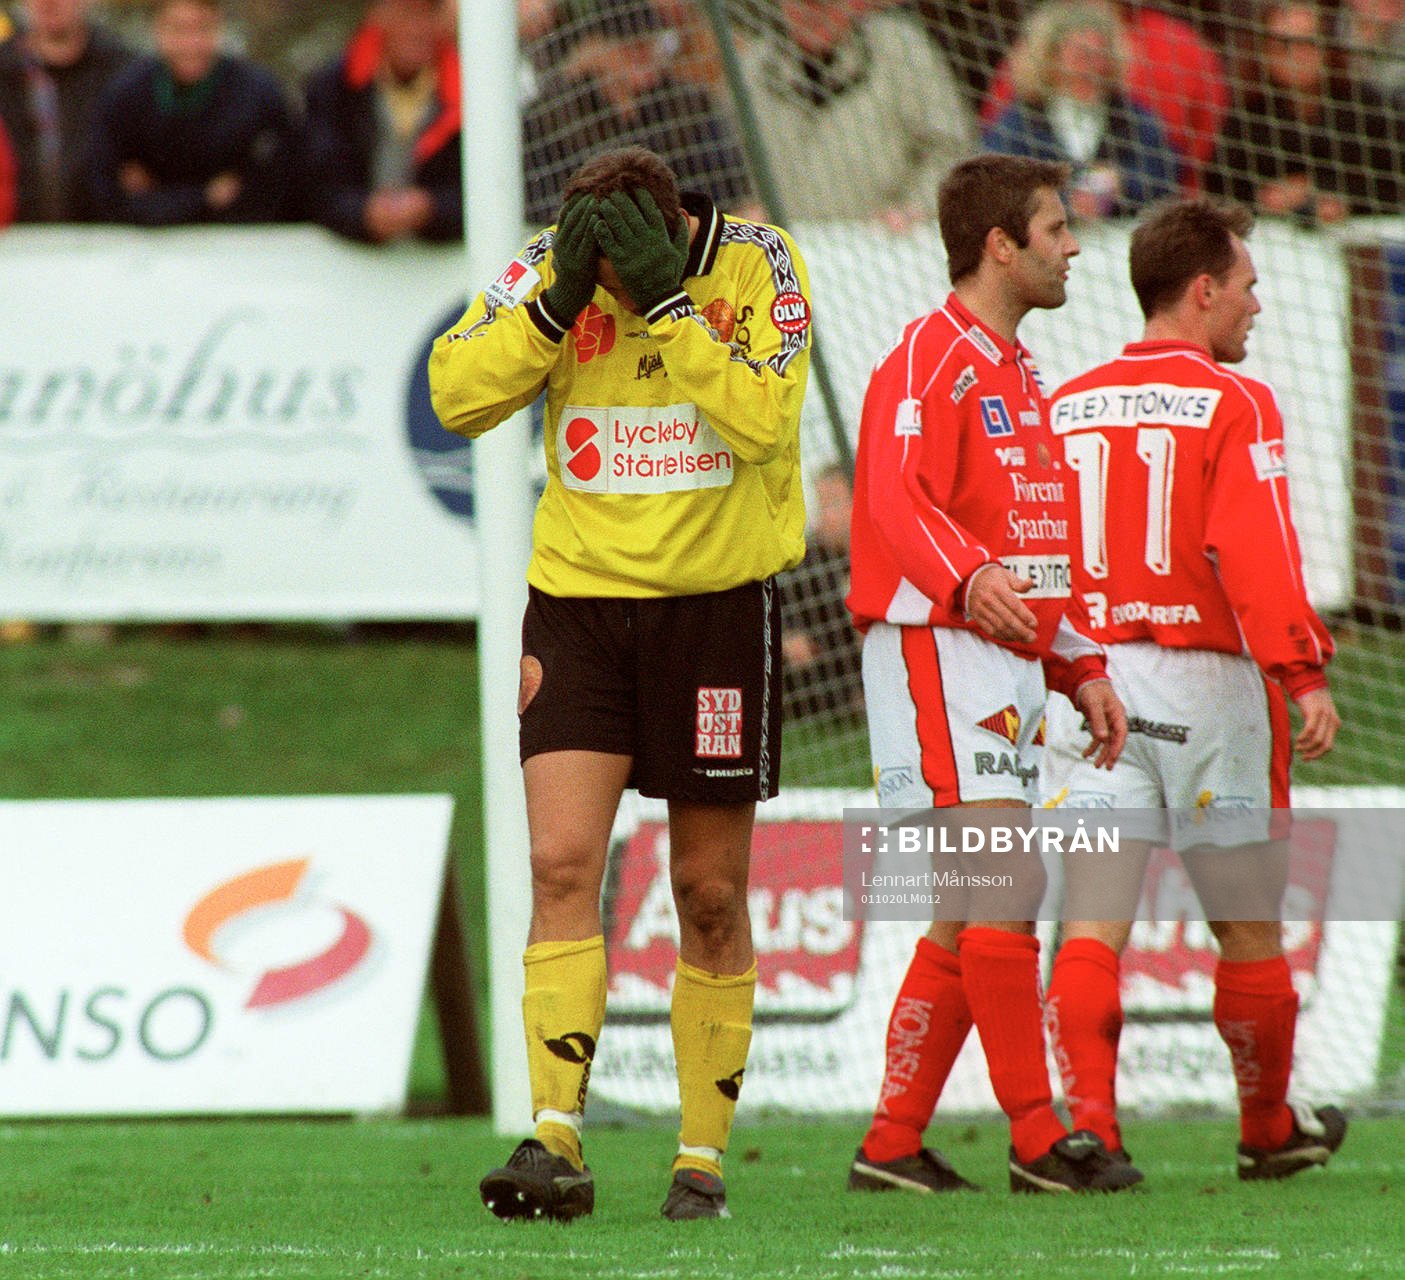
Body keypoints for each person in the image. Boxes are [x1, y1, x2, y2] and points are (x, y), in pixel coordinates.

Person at [428, 145, 811, 1222]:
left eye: (611, 263)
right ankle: (554, 1135)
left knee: (709, 891)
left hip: (716, 609)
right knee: (559, 863)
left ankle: (700, 1155)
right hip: (580, 608)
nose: (597, 281)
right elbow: (455, 394)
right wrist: (554, 304)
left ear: (670, 226)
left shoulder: (759, 265)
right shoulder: (555, 265)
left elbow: (765, 419)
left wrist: (669, 304)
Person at [844, 152, 1140, 1196]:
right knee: (999, 887)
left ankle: (890, 1144)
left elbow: (1045, 549)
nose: (1073, 246)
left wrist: (1079, 662)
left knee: (966, 911)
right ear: (998, 245)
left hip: (1005, 663)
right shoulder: (925, 357)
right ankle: (1034, 1137)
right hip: (935, 647)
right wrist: (967, 579)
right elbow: (891, 495)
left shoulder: (1021, 375)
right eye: (1056, 228)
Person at [1041, 196, 1347, 1181]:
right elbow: (1248, 547)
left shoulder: (1067, 398)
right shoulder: (1232, 399)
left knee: (1091, 917)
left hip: (1088, 684)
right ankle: (1266, 1127)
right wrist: (1298, 670)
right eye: (1248, 287)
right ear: (1203, 291)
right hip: (1205, 680)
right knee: (1244, 920)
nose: (1256, 307)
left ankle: (1090, 1129)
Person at [736, 0, 976, 229]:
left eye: (824, 4)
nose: (812, 12)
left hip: (889, 242)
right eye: (801, 2)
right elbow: (732, 170)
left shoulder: (901, 47)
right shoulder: (754, 67)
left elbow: (953, 148)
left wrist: (916, 207)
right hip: (791, 246)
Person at [521, 0, 751, 227]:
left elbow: (739, 199)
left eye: (649, 42)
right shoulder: (553, 115)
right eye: (629, 45)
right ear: (595, 48)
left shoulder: (688, 104)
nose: (643, 54)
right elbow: (541, 212)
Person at [79, 0, 299, 225]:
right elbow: (108, 193)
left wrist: (159, 195)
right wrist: (205, 196)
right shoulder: (126, 94)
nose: (191, 43)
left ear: (219, 27)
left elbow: (273, 190)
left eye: (202, 28)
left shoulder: (258, 94)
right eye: (179, 29)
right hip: (145, 248)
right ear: (158, 30)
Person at [983, 1, 1228, 195]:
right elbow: (994, 179)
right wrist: (1064, 199)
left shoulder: (1131, 115)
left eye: (1100, 57)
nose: (1092, 68)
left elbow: (1167, 170)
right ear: (1050, 60)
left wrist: (1122, 183)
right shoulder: (1019, 121)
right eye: (1081, 56)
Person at [1206, 0, 1403, 223]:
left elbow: (1392, 183)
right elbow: (1222, 191)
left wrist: (1326, 192)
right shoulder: (1247, 118)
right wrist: (1267, 198)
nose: (1297, 55)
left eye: (1308, 43)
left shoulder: (1365, 109)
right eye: (1283, 45)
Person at [303, 0, 462, 244]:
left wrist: (432, 209)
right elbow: (317, 182)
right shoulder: (334, 88)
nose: (417, 28)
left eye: (429, 12)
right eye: (406, 11)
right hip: (348, 258)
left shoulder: (474, 92)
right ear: (377, 13)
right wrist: (363, 213)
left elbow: (488, 191)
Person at [0, 0, 134, 222]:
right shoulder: (5, 73)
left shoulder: (124, 73)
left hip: (107, 239)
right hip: (17, 240)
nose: (49, 3)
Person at [780, 463, 862, 719]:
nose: (823, 517)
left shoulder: (886, 551)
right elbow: (779, 601)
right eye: (821, 505)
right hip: (823, 677)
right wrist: (788, 634)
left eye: (834, 504)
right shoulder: (809, 560)